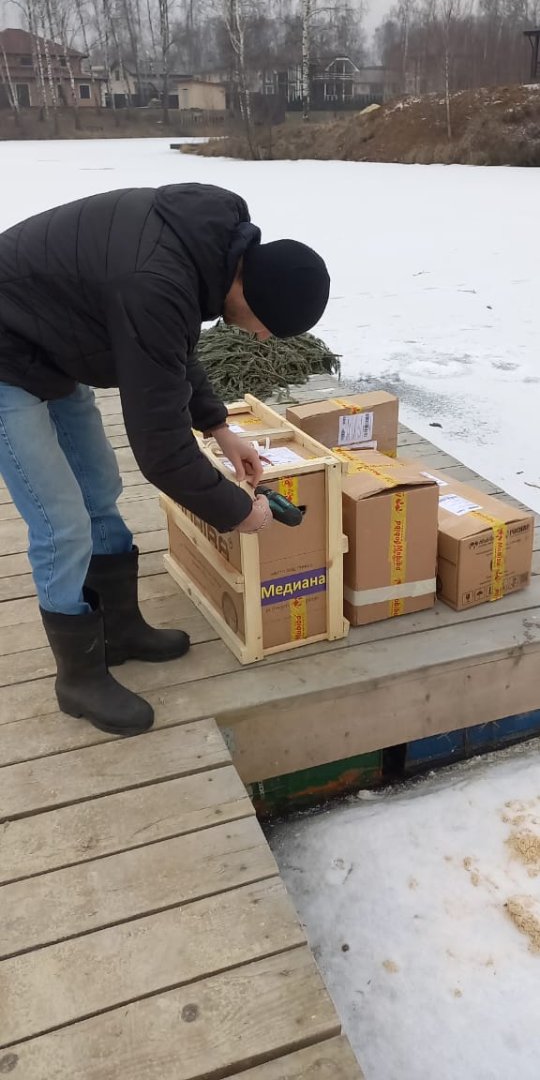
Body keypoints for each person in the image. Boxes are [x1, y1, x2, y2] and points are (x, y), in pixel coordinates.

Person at [0, 182, 330, 736]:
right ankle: (78, 679)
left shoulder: (207, 249)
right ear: (254, 296)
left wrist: (219, 426)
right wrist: (237, 511)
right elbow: (160, 451)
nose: (262, 339)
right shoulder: (157, 278)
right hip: (6, 355)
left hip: (52, 343)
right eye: (269, 328)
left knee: (100, 488)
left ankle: (120, 630)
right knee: (61, 522)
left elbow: (170, 347)